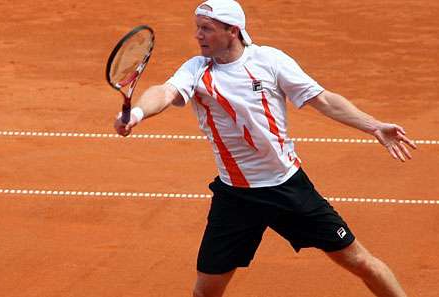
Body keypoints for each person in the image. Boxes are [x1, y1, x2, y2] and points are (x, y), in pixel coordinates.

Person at [114, 0, 417, 296]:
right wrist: (137, 114)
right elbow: (164, 92)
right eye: (197, 28)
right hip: (234, 198)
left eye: (206, 28)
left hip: (287, 189)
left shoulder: (270, 61)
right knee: (206, 291)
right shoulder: (196, 70)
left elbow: (323, 100)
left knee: (360, 262)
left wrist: (374, 125)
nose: (198, 35)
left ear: (232, 31)